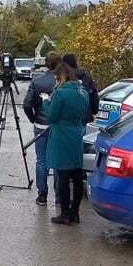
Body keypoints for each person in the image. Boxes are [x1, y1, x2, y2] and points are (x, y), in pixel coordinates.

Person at [43, 63, 91, 225]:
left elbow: (51, 117)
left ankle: (64, 213)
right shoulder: (83, 92)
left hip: (61, 135)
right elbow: (86, 113)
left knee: (63, 175)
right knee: (76, 175)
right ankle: (75, 212)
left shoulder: (60, 93)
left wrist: (46, 101)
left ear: (60, 77)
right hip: (76, 134)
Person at [23, 51, 61, 206]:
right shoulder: (63, 81)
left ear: (46, 63)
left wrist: (34, 119)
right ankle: (59, 196)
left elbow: (27, 104)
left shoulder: (38, 81)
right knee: (59, 161)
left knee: (41, 160)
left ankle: (42, 195)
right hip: (57, 126)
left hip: (40, 124)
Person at [62, 53, 99, 122]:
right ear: (75, 62)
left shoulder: (63, 77)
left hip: (67, 118)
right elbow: (93, 96)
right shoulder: (86, 77)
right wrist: (93, 112)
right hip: (84, 116)